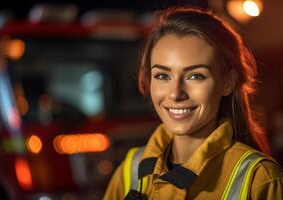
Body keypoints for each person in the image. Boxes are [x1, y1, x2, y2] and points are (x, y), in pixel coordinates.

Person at [103, 6, 283, 200]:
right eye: (163, 75)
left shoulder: (259, 178)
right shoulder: (130, 170)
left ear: (228, 82)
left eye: (195, 75)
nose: (175, 93)